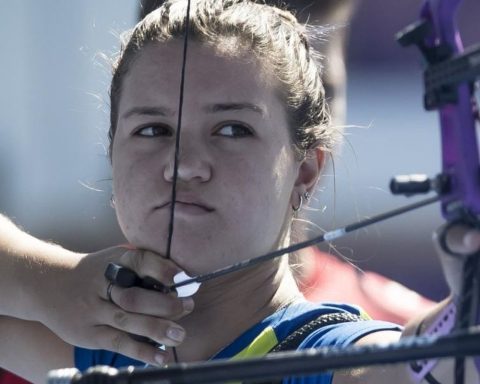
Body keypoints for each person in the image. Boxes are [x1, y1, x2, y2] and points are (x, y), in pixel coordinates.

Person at [0, 1, 478, 383]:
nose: (183, 164)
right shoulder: (101, 343)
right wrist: (47, 281)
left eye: (231, 130)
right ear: (112, 155)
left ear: (305, 171)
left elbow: (426, 366)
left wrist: (469, 303)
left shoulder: (331, 356)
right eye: (151, 130)